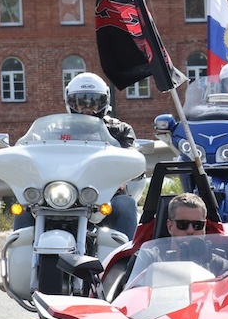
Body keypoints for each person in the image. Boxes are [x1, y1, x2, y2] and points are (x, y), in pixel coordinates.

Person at [13, 72, 139, 238]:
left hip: (105, 196)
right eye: (80, 102)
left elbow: (132, 156)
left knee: (126, 205)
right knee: (24, 207)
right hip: (59, 195)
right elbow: (34, 148)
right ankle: (20, 257)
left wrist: (127, 172)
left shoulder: (120, 130)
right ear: (70, 102)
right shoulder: (54, 130)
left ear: (104, 102)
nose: (87, 109)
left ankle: (126, 259)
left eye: (94, 102)